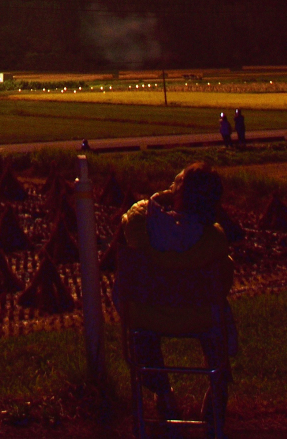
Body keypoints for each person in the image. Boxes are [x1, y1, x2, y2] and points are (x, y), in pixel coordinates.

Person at [113, 163, 236, 426]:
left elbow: (140, 210)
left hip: (148, 316)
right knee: (222, 311)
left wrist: (164, 196)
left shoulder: (140, 225)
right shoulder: (214, 239)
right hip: (200, 318)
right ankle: (218, 383)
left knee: (141, 329)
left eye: (175, 183)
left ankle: (162, 392)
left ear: (177, 193)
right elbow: (224, 281)